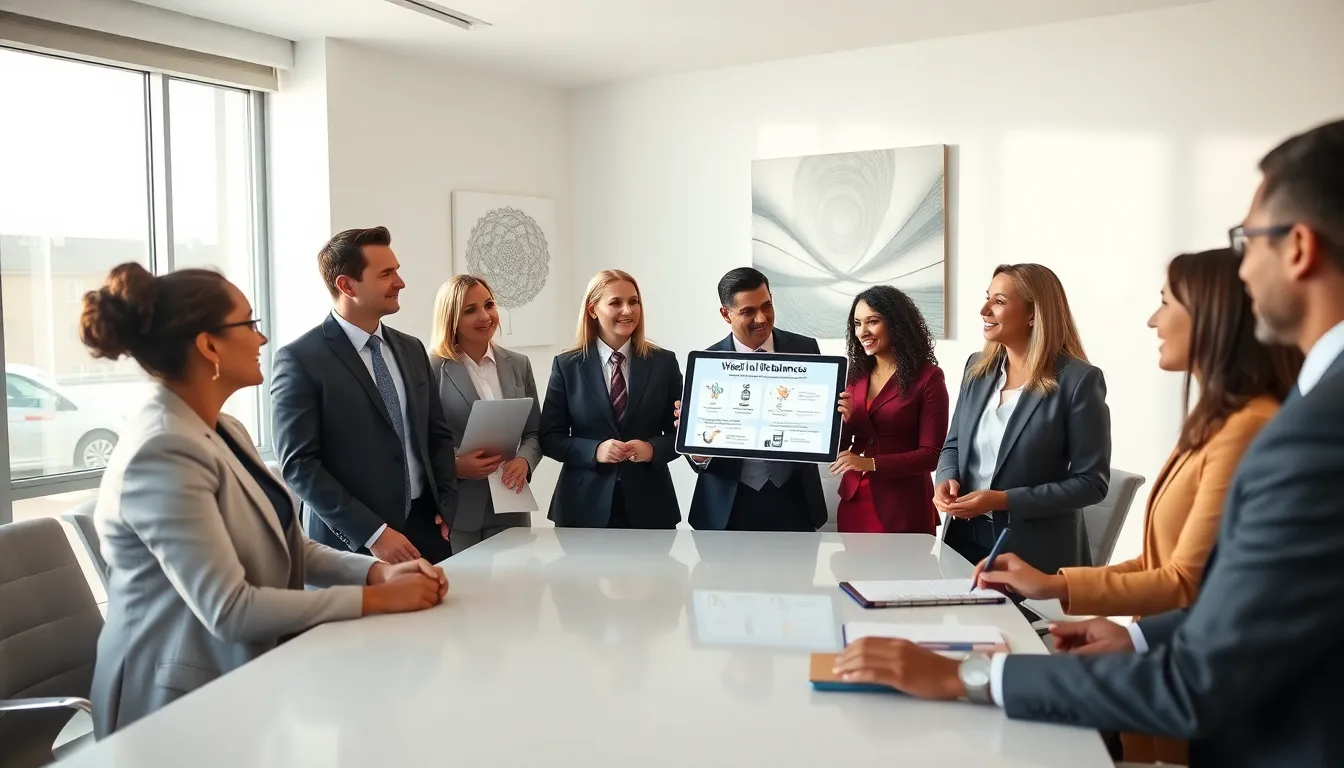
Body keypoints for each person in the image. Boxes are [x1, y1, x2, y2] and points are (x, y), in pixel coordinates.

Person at [830, 118, 1344, 768]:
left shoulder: (1298, 431)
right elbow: (1234, 604)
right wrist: (1133, 636)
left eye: (1248, 240)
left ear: (1298, 248)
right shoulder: (1280, 417)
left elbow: (1197, 636)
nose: (1152, 317)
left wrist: (970, 677)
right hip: (983, 559)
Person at [80, 263, 447, 738]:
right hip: (173, 701)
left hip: (240, 677)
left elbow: (288, 545)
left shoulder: (226, 428)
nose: (262, 338)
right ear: (209, 346)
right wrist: (374, 599)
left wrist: (377, 572)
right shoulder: (162, 450)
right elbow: (231, 610)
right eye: (249, 323)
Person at [972, 248, 1301, 764]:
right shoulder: (1214, 424)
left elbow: (1185, 580)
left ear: (1211, 316)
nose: (1152, 319)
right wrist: (1060, 588)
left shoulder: (1245, 429)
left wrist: (1064, 591)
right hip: (1160, 649)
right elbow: (1160, 561)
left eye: (1166, 302)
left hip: (1186, 672)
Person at [271, 226, 458, 565]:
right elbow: (299, 466)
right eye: (386, 274)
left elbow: (437, 434)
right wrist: (373, 533)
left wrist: (446, 503)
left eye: (397, 270)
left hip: (428, 530)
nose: (400, 282)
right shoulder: (300, 360)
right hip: (354, 545)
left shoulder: (412, 349)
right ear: (347, 285)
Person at [934, 263, 1111, 576]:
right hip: (963, 540)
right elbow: (954, 443)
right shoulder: (977, 368)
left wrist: (1003, 500)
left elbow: (1091, 484)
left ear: (1033, 314)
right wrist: (945, 478)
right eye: (987, 298)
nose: (984, 310)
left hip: (1035, 554)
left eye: (999, 301)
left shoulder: (1079, 380)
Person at [681, 268, 827, 532]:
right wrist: (698, 450)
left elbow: (818, 421)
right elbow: (699, 456)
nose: (761, 318)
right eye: (748, 311)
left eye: (767, 306)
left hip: (796, 501)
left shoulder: (805, 349)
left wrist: (833, 416)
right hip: (729, 507)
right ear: (725, 314)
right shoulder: (706, 364)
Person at [539, 269, 682, 528]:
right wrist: (595, 451)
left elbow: (682, 433)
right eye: (616, 302)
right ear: (592, 310)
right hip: (581, 506)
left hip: (651, 505)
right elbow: (550, 438)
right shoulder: (567, 365)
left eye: (634, 301)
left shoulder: (663, 362)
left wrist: (651, 449)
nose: (628, 310)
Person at [428, 275, 540, 553]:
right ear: (451, 318)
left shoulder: (519, 364)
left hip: (511, 504)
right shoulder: (430, 368)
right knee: (462, 582)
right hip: (458, 510)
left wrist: (525, 461)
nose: (485, 316)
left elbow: (535, 431)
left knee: (515, 581)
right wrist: (454, 464)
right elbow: (419, 439)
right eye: (470, 310)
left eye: (489, 305)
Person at [830, 285, 948, 534]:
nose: (862, 332)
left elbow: (931, 455)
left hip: (903, 503)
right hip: (855, 500)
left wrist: (869, 463)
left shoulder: (928, 378)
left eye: (872, 322)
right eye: (857, 324)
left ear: (896, 323)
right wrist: (840, 421)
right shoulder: (856, 376)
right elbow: (843, 445)